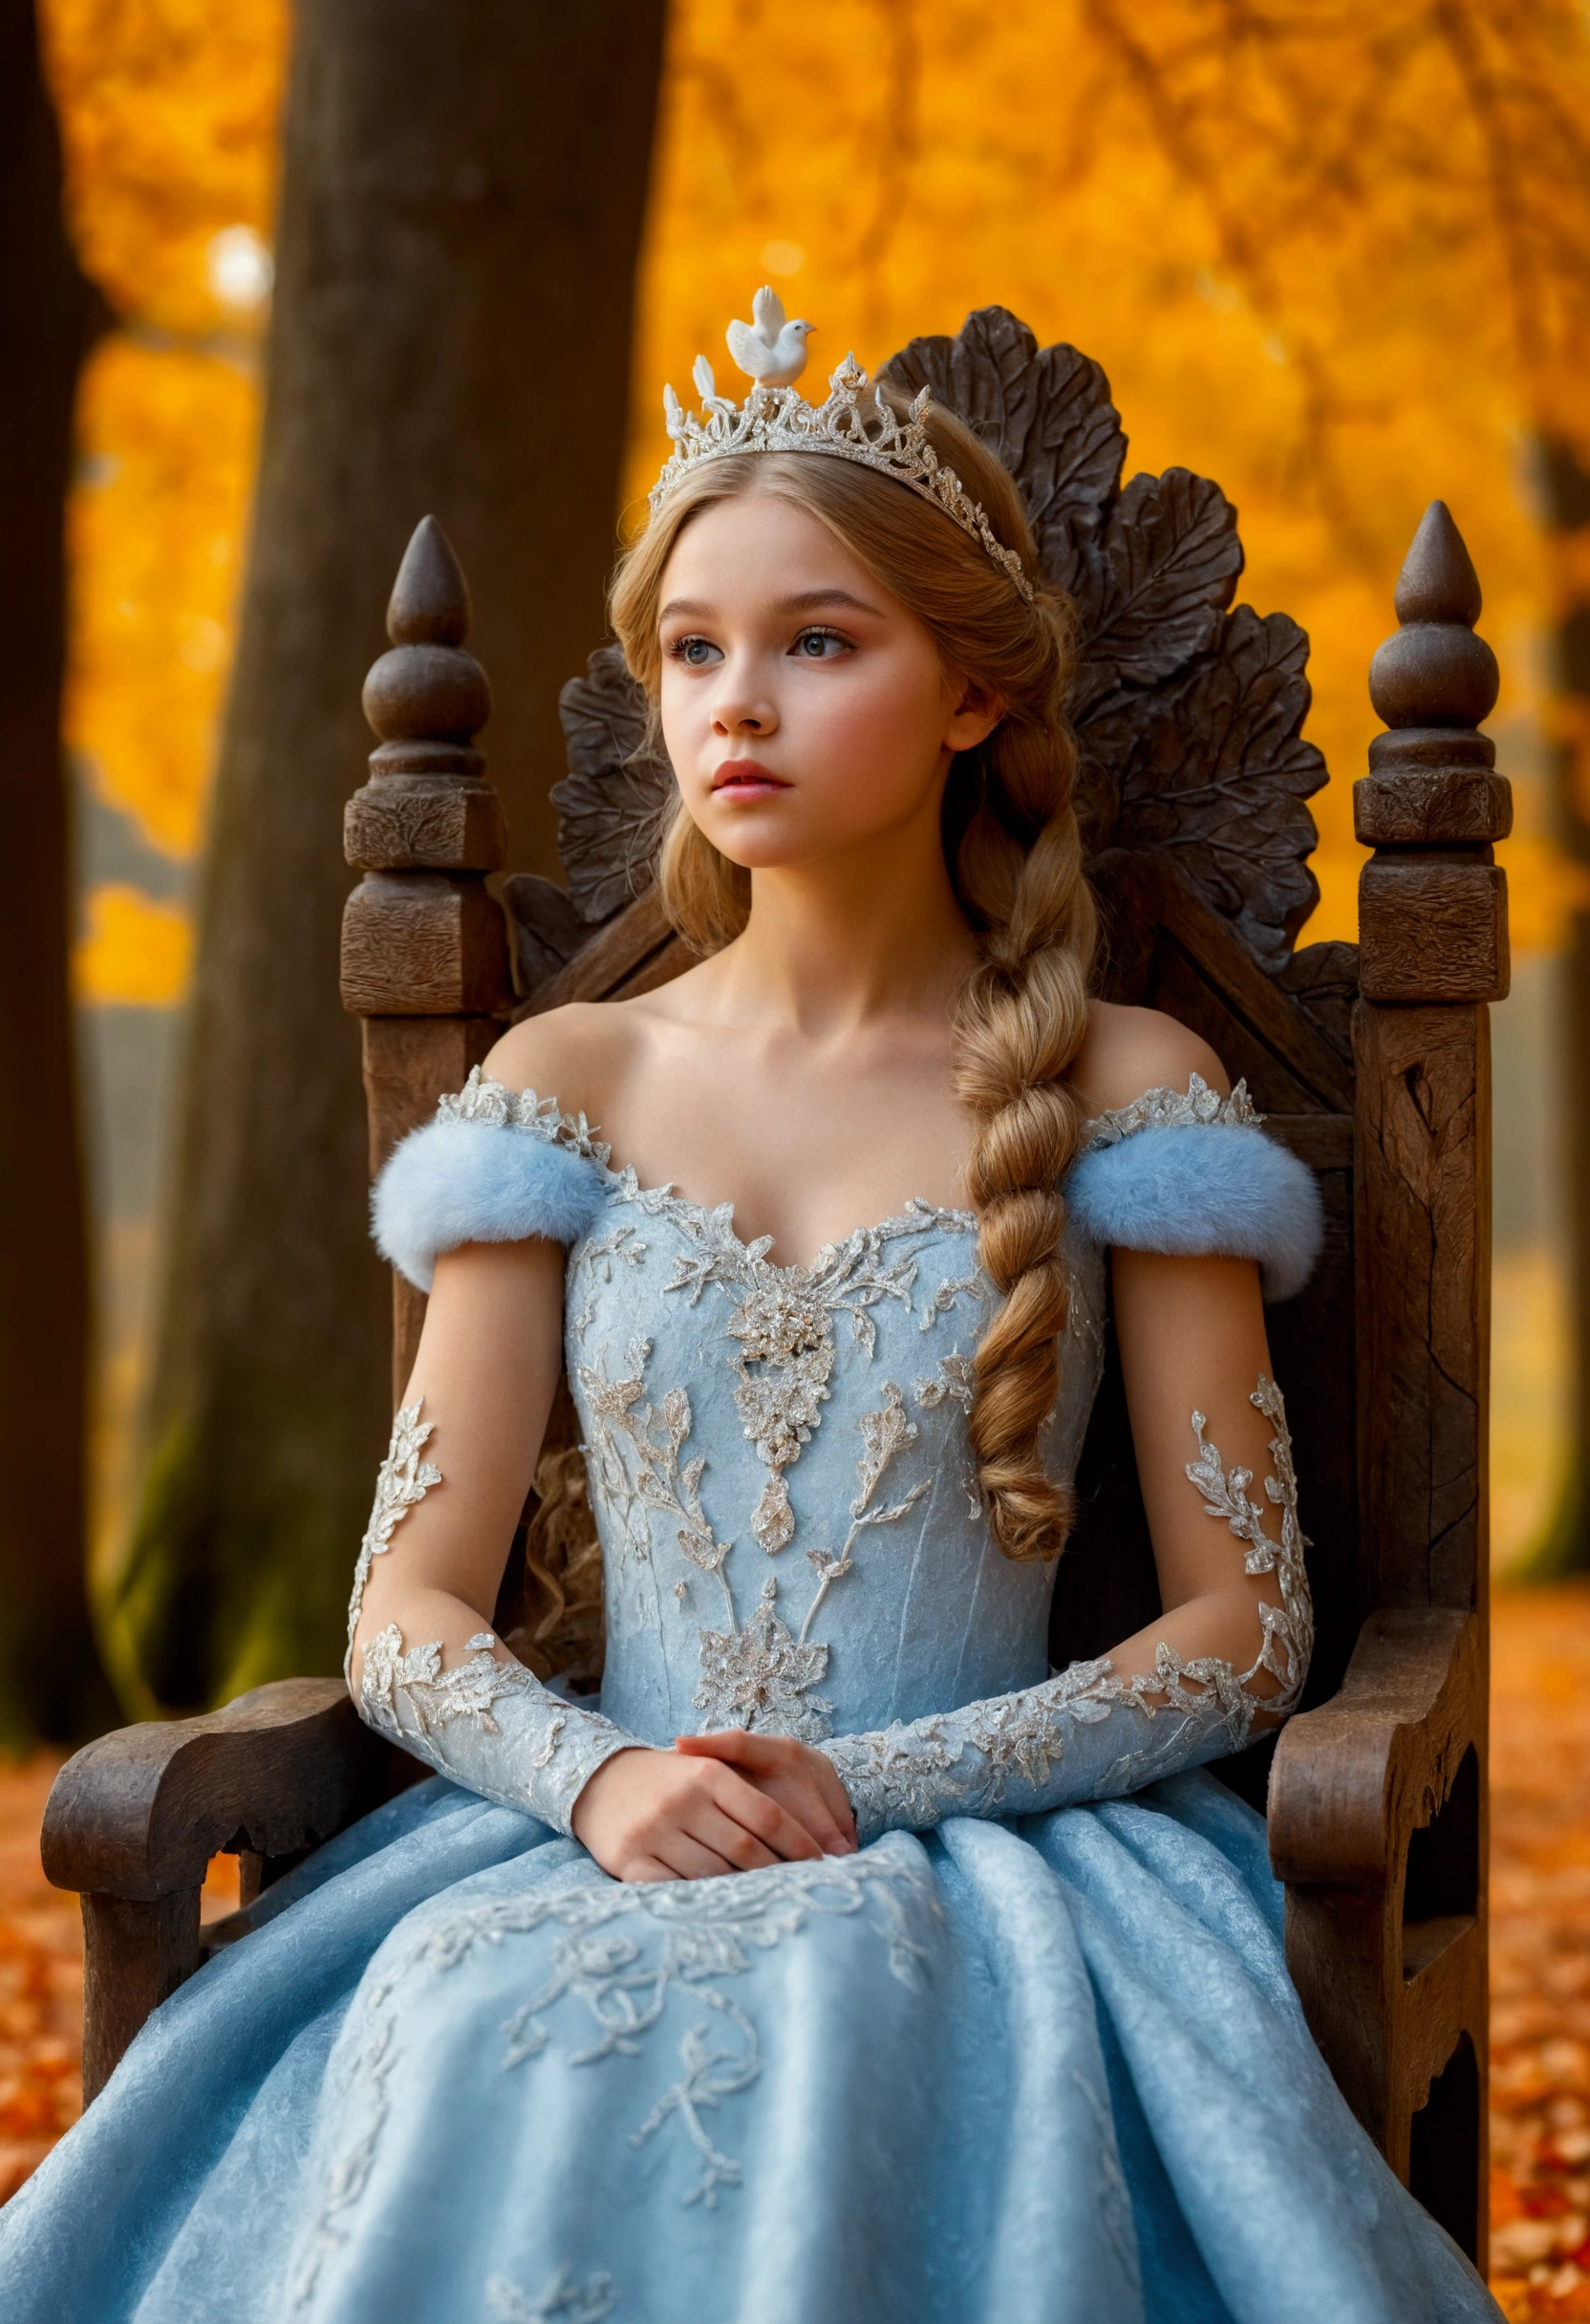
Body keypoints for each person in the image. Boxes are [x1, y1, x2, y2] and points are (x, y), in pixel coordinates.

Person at [0, 315, 1500, 2324]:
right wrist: (606, 1784)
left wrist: (870, 1790)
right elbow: (404, 1605)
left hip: (987, 1847)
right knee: (465, 2019)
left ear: (970, 690)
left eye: (817, 641)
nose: (738, 707)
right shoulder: (568, 1077)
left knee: (863, 2026)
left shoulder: (1125, 1084)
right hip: (583, 1831)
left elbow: (1246, 1627)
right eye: (692, 650)